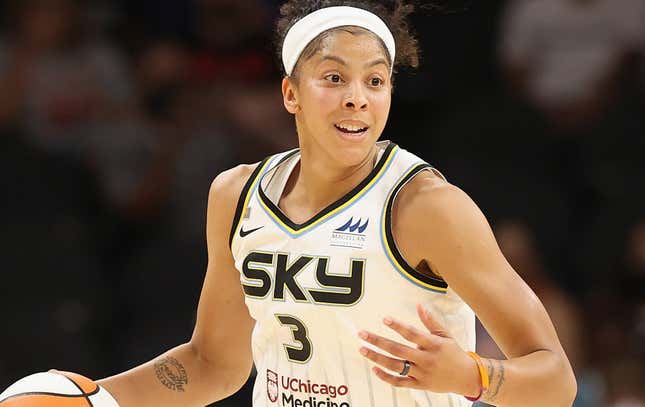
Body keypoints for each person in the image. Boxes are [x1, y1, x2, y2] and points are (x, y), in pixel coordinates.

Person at [34, 1, 577, 406]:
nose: (357, 97)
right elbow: (212, 364)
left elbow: (555, 379)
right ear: (291, 92)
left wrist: (472, 375)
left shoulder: (425, 207)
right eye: (334, 78)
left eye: (376, 81)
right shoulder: (237, 195)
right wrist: (97, 399)